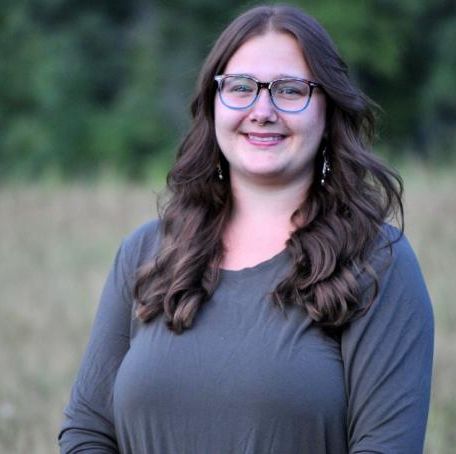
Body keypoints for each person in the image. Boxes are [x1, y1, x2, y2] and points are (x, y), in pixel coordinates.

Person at [59, 4, 433, 453]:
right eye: (240, 88)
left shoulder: (377, 262)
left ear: (328, 111)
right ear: (214, 104)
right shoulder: (147, 253)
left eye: (290, 90)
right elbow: (87, 431)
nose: (262, 110)